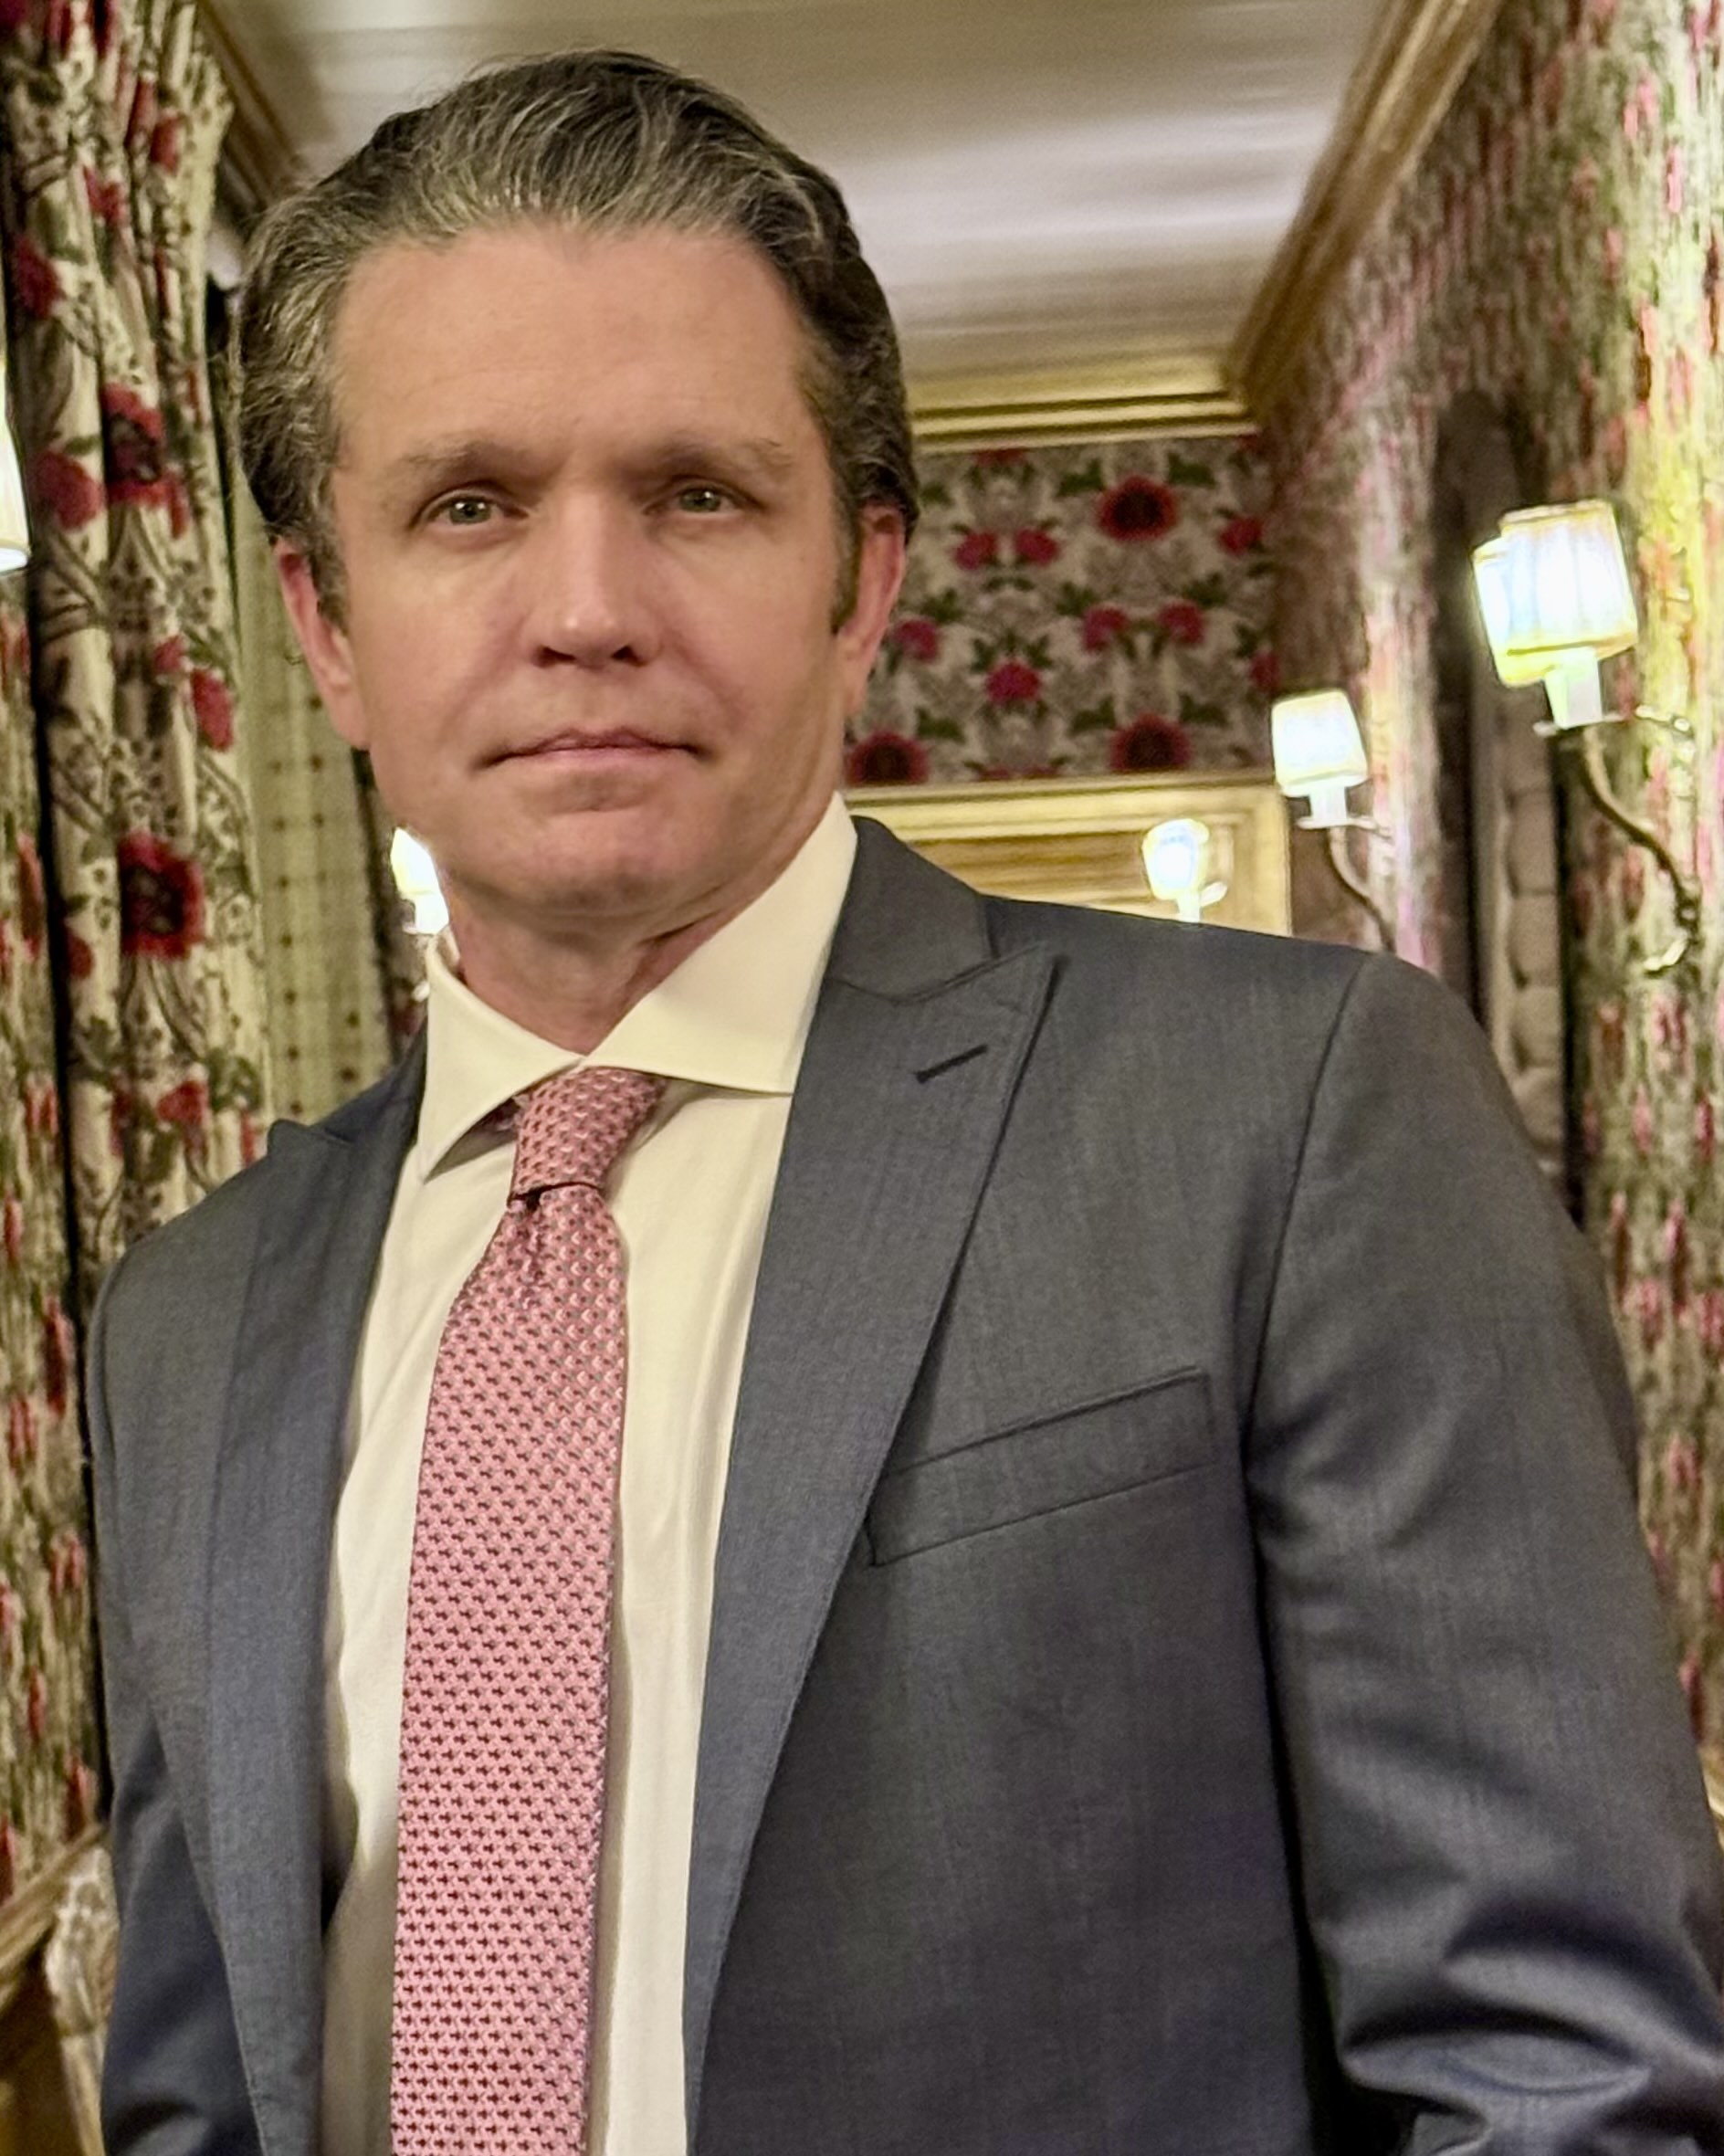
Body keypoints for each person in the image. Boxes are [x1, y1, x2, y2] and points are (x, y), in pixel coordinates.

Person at [89, 46, 1724, 2156]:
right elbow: (196, 2091)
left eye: (696, 492)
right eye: (465, 503)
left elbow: (1555, 2072)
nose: (584, 612)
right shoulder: (187, 1321)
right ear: (322, 619)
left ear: (861, 577)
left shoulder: (1291, 1115)